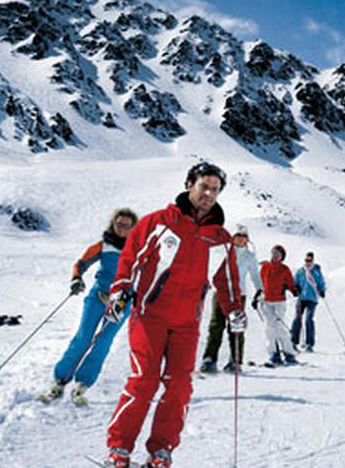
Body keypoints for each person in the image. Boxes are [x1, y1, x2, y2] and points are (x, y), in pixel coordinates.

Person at [103, 162, 244, 468]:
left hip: (186, 324)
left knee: (180, 385)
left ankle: (162, 450)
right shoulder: (159, 222)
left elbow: (227, 279)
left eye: (215, 190)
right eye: (203, 186)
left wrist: (234, 310)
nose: (209, 194)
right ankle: (119, 448)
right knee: (144, 380)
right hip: (150, 315)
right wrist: (121, 289)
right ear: (189, 185)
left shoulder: (219, 238)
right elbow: (130, 259)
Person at [38, 208, 139, 406]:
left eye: (127, 226)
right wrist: (76, 279)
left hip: (121, 302)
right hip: (98, 297)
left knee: (103, 342)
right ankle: (60, 380)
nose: (122, 229)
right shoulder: (103, 246)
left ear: (133, 228)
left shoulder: (138, 249)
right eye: (119, 224)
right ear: (113, 224)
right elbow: (81, 263)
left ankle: (83, 384)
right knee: (84, 337)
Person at [200, 223, 261, 374]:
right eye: (237, 236)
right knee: (216, 325)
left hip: (239, 295)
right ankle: (209, 359)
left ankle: (235, 360)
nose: (240, 240)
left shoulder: (249, 257)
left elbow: (254, 274)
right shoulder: (223, 252)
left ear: (247, 239)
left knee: (236, 326)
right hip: (221, 293)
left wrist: (260, 289)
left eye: (243, 237)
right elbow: (212, 268)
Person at [260, 245, 299, 366]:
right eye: (274, 253)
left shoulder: (284, 269)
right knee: (269, 328)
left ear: (282, 257)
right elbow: (260, 283)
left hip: (279, 301)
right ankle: (273, 353)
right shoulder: (265, 267)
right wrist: (258, 295)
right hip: (266, 301)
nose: (276, 255)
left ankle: (289, 353)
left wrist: (293, 290)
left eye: (278, 254)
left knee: (279, 327)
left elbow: (290, 283)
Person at [291, 251, 326, 352]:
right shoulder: (301, 271)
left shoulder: (316, 271)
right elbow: (295, 281)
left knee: (309, 319)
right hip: (301, 298)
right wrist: (296, 287)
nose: (308, 262)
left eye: (310, 260)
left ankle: (309, 343)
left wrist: (322, 290)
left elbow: (321, 282)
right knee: (297, 318)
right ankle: (293, 341)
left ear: (313, 261)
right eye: (306, 260)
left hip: (312, 298)